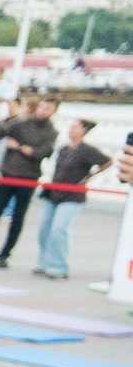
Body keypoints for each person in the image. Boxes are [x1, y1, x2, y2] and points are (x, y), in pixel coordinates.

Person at [0, 94, 58, 268]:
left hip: (29, 178)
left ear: (54, 112)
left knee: (18, 218)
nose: (44, 111)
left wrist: (20, 147)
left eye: (48, 109)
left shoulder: (51, 132)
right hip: (8, 174)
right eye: (43, 107)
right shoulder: (22, 122)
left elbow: (42, 152)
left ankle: (5, 254)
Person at [31, 118, 111, 280]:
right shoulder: (63, 149)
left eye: (75, 127)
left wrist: (89, 176)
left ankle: (58, 267)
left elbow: (108, 162)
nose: (71, 130)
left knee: (59, 229)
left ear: (83, 130)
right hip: (54, 192)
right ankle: (43, 263)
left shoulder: (87, 150)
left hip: (73, 195)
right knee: (45, 230)